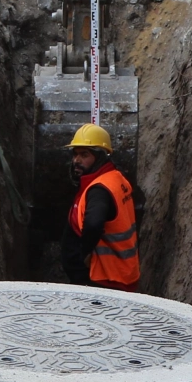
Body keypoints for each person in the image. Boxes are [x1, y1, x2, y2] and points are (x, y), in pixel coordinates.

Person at [61, 123, 140, 292]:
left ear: (100, 157)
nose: (77, 160)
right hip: (119, 273)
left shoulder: (99, 190)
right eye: (75, 154)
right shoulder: (115, 178)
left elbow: (94, 224)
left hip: (104, 278)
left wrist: (84, 254)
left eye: (84, 155)